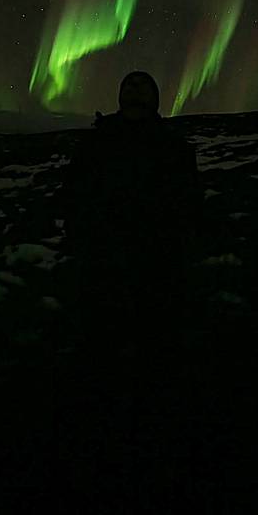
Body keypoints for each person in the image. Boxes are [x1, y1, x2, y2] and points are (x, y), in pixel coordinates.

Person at [63, 70, 204, 366]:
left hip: (158, 256)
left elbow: (189, 199)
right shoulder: (97, 142)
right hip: (104, 256)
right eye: (129, 85)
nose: (135, 91)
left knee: (154, 333)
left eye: (142, 87)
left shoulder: (173, 146)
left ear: (154, 97)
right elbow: (76, 192)